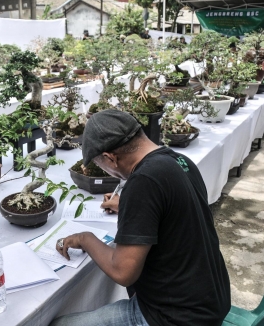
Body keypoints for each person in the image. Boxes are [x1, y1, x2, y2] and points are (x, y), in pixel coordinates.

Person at [51, 110, 231, 326]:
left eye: (100, 166)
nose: (106, 172)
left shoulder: (143, 182)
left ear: (110, 158)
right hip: (210, 300)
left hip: (177, 317)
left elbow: (122, 271)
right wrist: (129, 205)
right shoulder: (180, 161)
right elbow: (175, 211)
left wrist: (84, 238)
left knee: (59, 325)